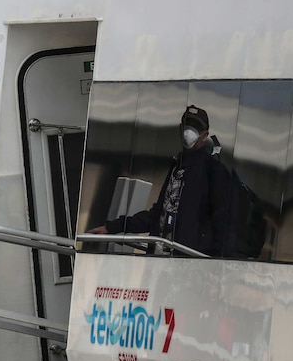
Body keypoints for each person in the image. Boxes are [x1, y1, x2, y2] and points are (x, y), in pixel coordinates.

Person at [89, 105, 231, 256]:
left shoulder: (213, 171)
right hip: (158, 256)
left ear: (205, 135)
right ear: (180, 128)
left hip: (186, 262)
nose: (190, 132)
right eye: (187, 126)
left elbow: (222, 222)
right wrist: (113, 227)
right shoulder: (177, 166)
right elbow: (157, 215)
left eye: (196, 128)